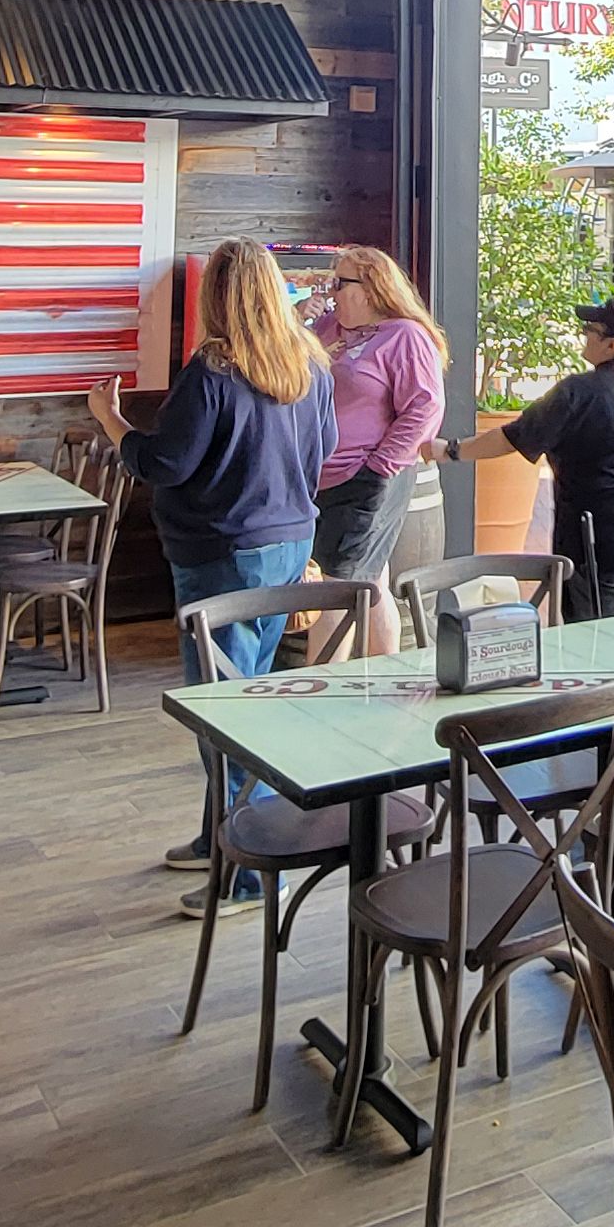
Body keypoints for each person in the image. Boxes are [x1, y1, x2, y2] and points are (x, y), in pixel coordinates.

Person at [93, 240, 335, 908]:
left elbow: (164, 464)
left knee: (223, 711)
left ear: (214, 297)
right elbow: (328, 448)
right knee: (246, 698)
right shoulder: (309, 364)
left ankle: (249, 873)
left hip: (221, 556)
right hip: (287, 543)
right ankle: (218, 835)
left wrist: (111, 422)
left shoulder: (212, 373)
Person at [423, 298, 614, 622]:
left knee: (607, 644)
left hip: (607, 542)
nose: (583, 335)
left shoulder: (579, 392)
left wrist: (450, 450)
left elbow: (514, 437)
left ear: (611, 345)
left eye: (590, 330)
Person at [304, 244, 445, 658]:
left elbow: (425, 406)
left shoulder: (404, 336)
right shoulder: (330, 328)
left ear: (369, 289)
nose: (332, 291)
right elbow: (289, 367)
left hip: (366, 476)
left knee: (336, 587)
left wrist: (381, 466)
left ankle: (321, 692)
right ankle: (384, 676)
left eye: (339, 283)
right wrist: (300, 319)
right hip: (323, 475)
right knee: (370, 579)